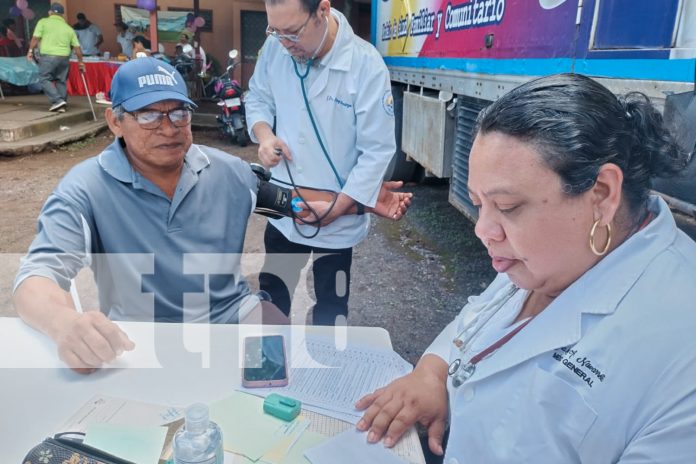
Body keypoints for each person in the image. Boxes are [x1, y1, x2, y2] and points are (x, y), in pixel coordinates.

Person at [355, 73, 696, 462]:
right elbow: (476, 320)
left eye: (509, 207)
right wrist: (431, 373)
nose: (483, 230)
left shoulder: (680, 348)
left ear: (601, 194)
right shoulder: (553, 257)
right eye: (479, 203)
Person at [13, 57, 411, 374]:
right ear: (115, 121)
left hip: (232, 315)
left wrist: (361, 199)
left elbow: (297, 202)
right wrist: (64, 323)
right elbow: (38, 276)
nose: (168, 128)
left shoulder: (227, 172)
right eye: (149, 115)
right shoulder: (86, 188)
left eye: (179, 113)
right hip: (140, 333)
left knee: (286, 378)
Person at [245, 0, 397, 326]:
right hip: (285, 208)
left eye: (294, 33)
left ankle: (326, 373)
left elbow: (377, 151)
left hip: (337, 216)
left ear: (322, 11)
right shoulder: (276, 48)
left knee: (331, 305)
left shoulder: (365, 66)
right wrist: (265, 135)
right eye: (275, 31)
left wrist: (338, 209)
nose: (285, 44)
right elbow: (258, 96)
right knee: (272, 296)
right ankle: (270, 369)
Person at [26, 3, 85, 112]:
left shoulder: (43, 22)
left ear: (50, 12)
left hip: (49, 56)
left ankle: (57, 101)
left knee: (44, 78)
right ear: (62, 15)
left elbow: (35, 38)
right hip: (64, 58)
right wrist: (81, 63)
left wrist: (30, 51)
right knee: (61, 80)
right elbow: (77, 48)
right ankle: (62, 105)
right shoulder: (68, 28)